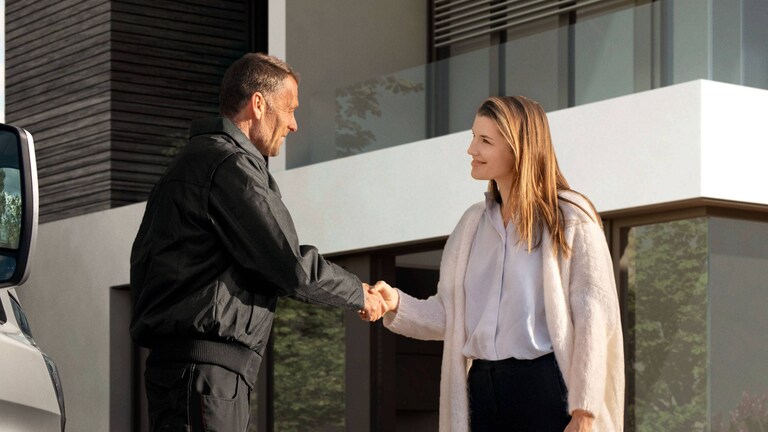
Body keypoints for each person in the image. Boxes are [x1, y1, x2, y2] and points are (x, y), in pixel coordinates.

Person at [129, 52, 388, 432]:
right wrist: (359, 293)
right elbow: (288, 266)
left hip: (195, 375)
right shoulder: (229, 166)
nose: (294, 124)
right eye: (290, 109)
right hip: (206, 378)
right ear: (258, 104)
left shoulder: (194, 164)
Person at [370, 96, 624, 432]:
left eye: (485, 141)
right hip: (482, 391)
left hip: (546, 389)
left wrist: (585, 411)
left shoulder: (570, 217)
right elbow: (451, 316)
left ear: (519, 148)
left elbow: (594, 316)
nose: (471, 149)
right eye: (473, 137)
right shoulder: (471, 225)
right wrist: (395, 304)